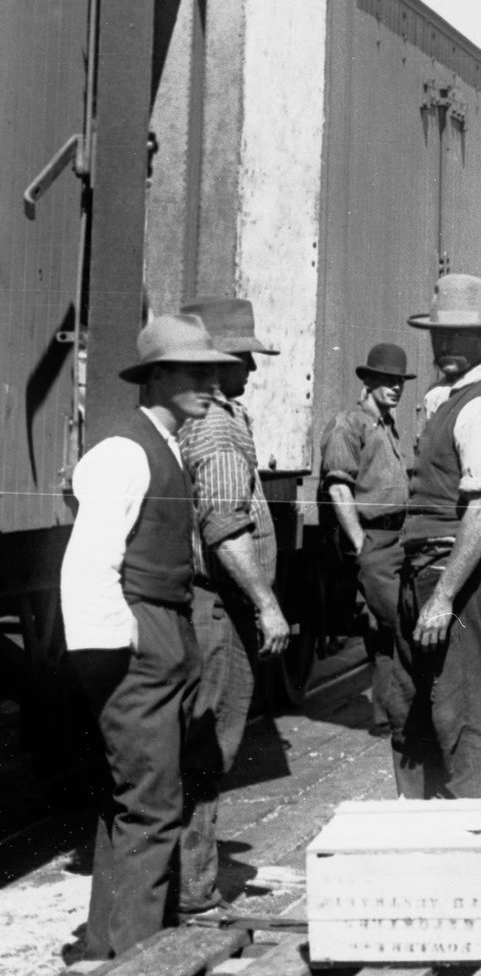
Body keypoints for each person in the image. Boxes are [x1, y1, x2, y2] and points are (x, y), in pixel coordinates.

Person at [62, 314, 236, 958]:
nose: (211, 385)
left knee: (136, 803)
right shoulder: (124, 452)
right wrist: (126, 650)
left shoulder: (164, 445)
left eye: (214, 372)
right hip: (140, 636)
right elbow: (89, 563)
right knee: (152, 806)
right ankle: (133, 974)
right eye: (195, 372)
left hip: (162, 630)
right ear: (156, 376)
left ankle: (106, 952)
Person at [176, 298, 292, 916]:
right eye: (244, 355)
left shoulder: (202, 418)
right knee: (207, 748)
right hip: (218, 607)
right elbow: (223, 527)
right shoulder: (219, 425)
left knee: (199, 744)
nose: (252, 366)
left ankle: (186, 879)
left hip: (206, 603)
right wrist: (267, 604)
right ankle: (193, 889)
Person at [394, 273, 481, 798]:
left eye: (459, 337)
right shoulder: (445, 398)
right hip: (426, 570)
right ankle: (423, 839)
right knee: (418, 711)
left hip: (456, 575)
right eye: (439, 336)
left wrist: (444, 596)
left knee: (466, 717)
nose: (446, 345)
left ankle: (477, 849)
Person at [322, 342, 416, 742]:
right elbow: (339, 490)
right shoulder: (349, 424)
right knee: (401, 623)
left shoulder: (387, 424)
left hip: (396, 536)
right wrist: (361, 545)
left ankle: (387, 717)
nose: (395, 387)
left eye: (399, 381)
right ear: (369, 381)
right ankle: (403, 718)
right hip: (374, 539)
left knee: (383, 631)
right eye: (387, 380)